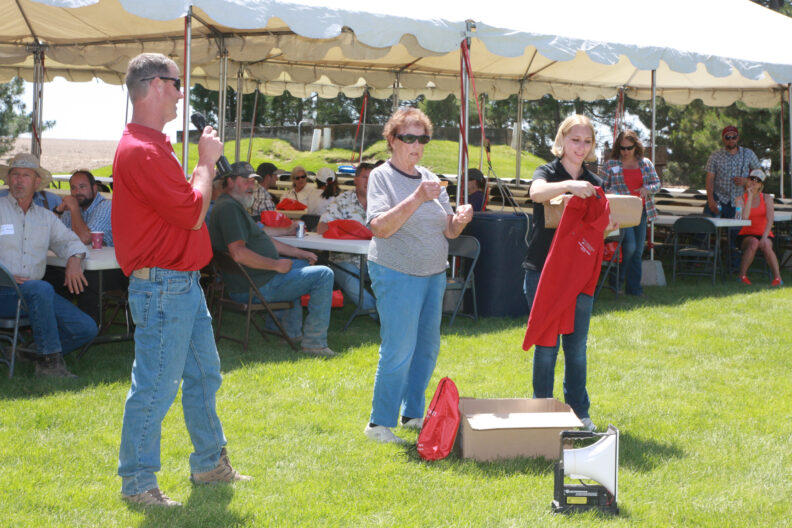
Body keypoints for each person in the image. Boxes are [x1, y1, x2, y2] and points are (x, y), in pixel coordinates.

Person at [113, 53, 249, 509]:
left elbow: (185, 208)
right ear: (154, 85)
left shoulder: (151, 146)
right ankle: (137, 483)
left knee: (203, 376)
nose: (180, 93)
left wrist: (199, 168)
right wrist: (207, 162)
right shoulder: (143, 150)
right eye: (176, 84)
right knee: (155, 386)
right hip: (164, 287)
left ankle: (210, 462)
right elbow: (193, 213)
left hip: (179, 286)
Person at [364, 108, 473, 444]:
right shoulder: (382, 177)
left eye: (422, 138)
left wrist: (461, 220)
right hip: (396, 272)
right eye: (408, 138)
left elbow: (449, 231)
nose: (416, 145)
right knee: (399, 348)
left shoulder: (430, 178)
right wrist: (416, 197)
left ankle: (412, 414)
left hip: (433, 274)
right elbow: (380, 227)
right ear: (393, 140)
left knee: (426, 348)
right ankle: (379, 424)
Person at [523, 114, 612, 432]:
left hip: (579, 277)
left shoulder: (597, 183)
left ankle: (579, 412)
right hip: (543, 272)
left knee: (576, 348)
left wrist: (609, 222)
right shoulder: (547, 172)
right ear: (561, 141)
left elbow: (604, 223)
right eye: (575, 139)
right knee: (546, 347)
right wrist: (570, 186)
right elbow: (536, 192)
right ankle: (542, 412)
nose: (581, 146)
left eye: (587, 141)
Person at [208, 161, 337, 357]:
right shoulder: (229, 209)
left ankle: (286, 330)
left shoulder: (232, 205)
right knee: (324, 274)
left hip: (253, 280)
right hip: (254, 286)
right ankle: (315, 343)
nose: (252, 186)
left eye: (253, 182)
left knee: (301, 263)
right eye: (246, 181)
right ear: (230, 181)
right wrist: (276, 265)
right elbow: (239, 253)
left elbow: (263, 239)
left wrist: (299, 253)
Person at [0, 153, 97, 378]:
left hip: (34, 293)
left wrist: (75, 259)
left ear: (36, 183)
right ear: (8, 179)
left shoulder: (45, 217)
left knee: (87, 328)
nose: (18, 180)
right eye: (14, 174)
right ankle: (49, 365)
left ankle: (27, 351)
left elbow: (73, 242)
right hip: (4, 292)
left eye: (25, 175)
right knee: (42, 288)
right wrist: (5, 275)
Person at [46, 168, 124, 323]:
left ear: (94, 188)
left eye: (82, 187)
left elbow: (84, 239)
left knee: (86, 277)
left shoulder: (106, 206)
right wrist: (58, 211)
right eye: (73, 188)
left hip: (115, 270)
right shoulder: (74, 210)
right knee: (48, 273)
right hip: (86, 264)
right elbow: (49, 236)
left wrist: (73, 208)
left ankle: (88, 326)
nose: (77, 192)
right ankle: (59, 321)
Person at [600, 130, 661, 296]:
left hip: (640, 211)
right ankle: (616, 282)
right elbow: (602, 187)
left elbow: (657, 184)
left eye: (629, 148)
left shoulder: (646, 163)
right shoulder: (610, 164)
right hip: (619, 212)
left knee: (637, 251)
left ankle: (634, 289)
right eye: (622, 148)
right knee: (629, 248)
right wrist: (611, 191)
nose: (625, 152)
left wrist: (647, 189)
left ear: (636, 146)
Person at [317, 162, 377, 314]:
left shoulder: (382, 203)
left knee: (396, 275)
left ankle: (397, 313)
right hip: (344, 260)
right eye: (364, 177)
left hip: (376, 260)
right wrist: (347, 230)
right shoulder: (343, 200)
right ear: (355, 179)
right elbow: (322, 227)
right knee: (349, 276)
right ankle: (379, 315)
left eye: (372, 178)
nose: (368, 182)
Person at [736, 169, 783, 286]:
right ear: (747, 180)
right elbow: (745, 218)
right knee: (753, 242)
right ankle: (742, 276)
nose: (754, 182)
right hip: (746, 234)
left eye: (758, 181)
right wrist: (750, 196)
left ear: (761, 185)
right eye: (752, 179)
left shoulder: (767, 198)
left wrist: (764, 237)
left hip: (764, 233)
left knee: (766, 244)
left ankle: (778, 278)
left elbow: (770, 219)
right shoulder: (740, 199)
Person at [705, 125, 760, 219]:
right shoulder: (715, 155)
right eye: (727, 137)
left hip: (738, 201)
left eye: (733, 137)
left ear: (738, 138)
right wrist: (710, 199)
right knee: (704, 228)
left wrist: (747, 181)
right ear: (723, 139)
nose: (731, 140)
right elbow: (709, 179)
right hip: (718, 198)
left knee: (735, 231)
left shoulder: (748, 154)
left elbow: (760, 175)